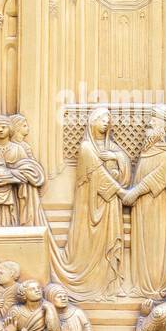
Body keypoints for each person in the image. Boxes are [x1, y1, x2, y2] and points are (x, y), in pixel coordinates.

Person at [50, 106, 131, 300]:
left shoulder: (113, 147)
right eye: (102, 118)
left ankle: (110, 284)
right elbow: (97, 173)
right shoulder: (87, 147)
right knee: (93, 242)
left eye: (108, 119)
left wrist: (116, 160)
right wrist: (119, 190)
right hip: (92, 204)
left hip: (110, 204)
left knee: (110, 241)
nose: (106, 121)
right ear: (92, 122)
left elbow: (125, 170)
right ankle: (92, 280)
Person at [123, 108, 166, 296]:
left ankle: (158, 285)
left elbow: (159, 177)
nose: (148, 127)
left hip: (159, 206)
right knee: (143, 243)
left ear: (163, 127)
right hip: (143, 208)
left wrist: (136, 192)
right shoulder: (150, 148)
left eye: (153, 123)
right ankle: (142, 285)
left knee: (157, 243)